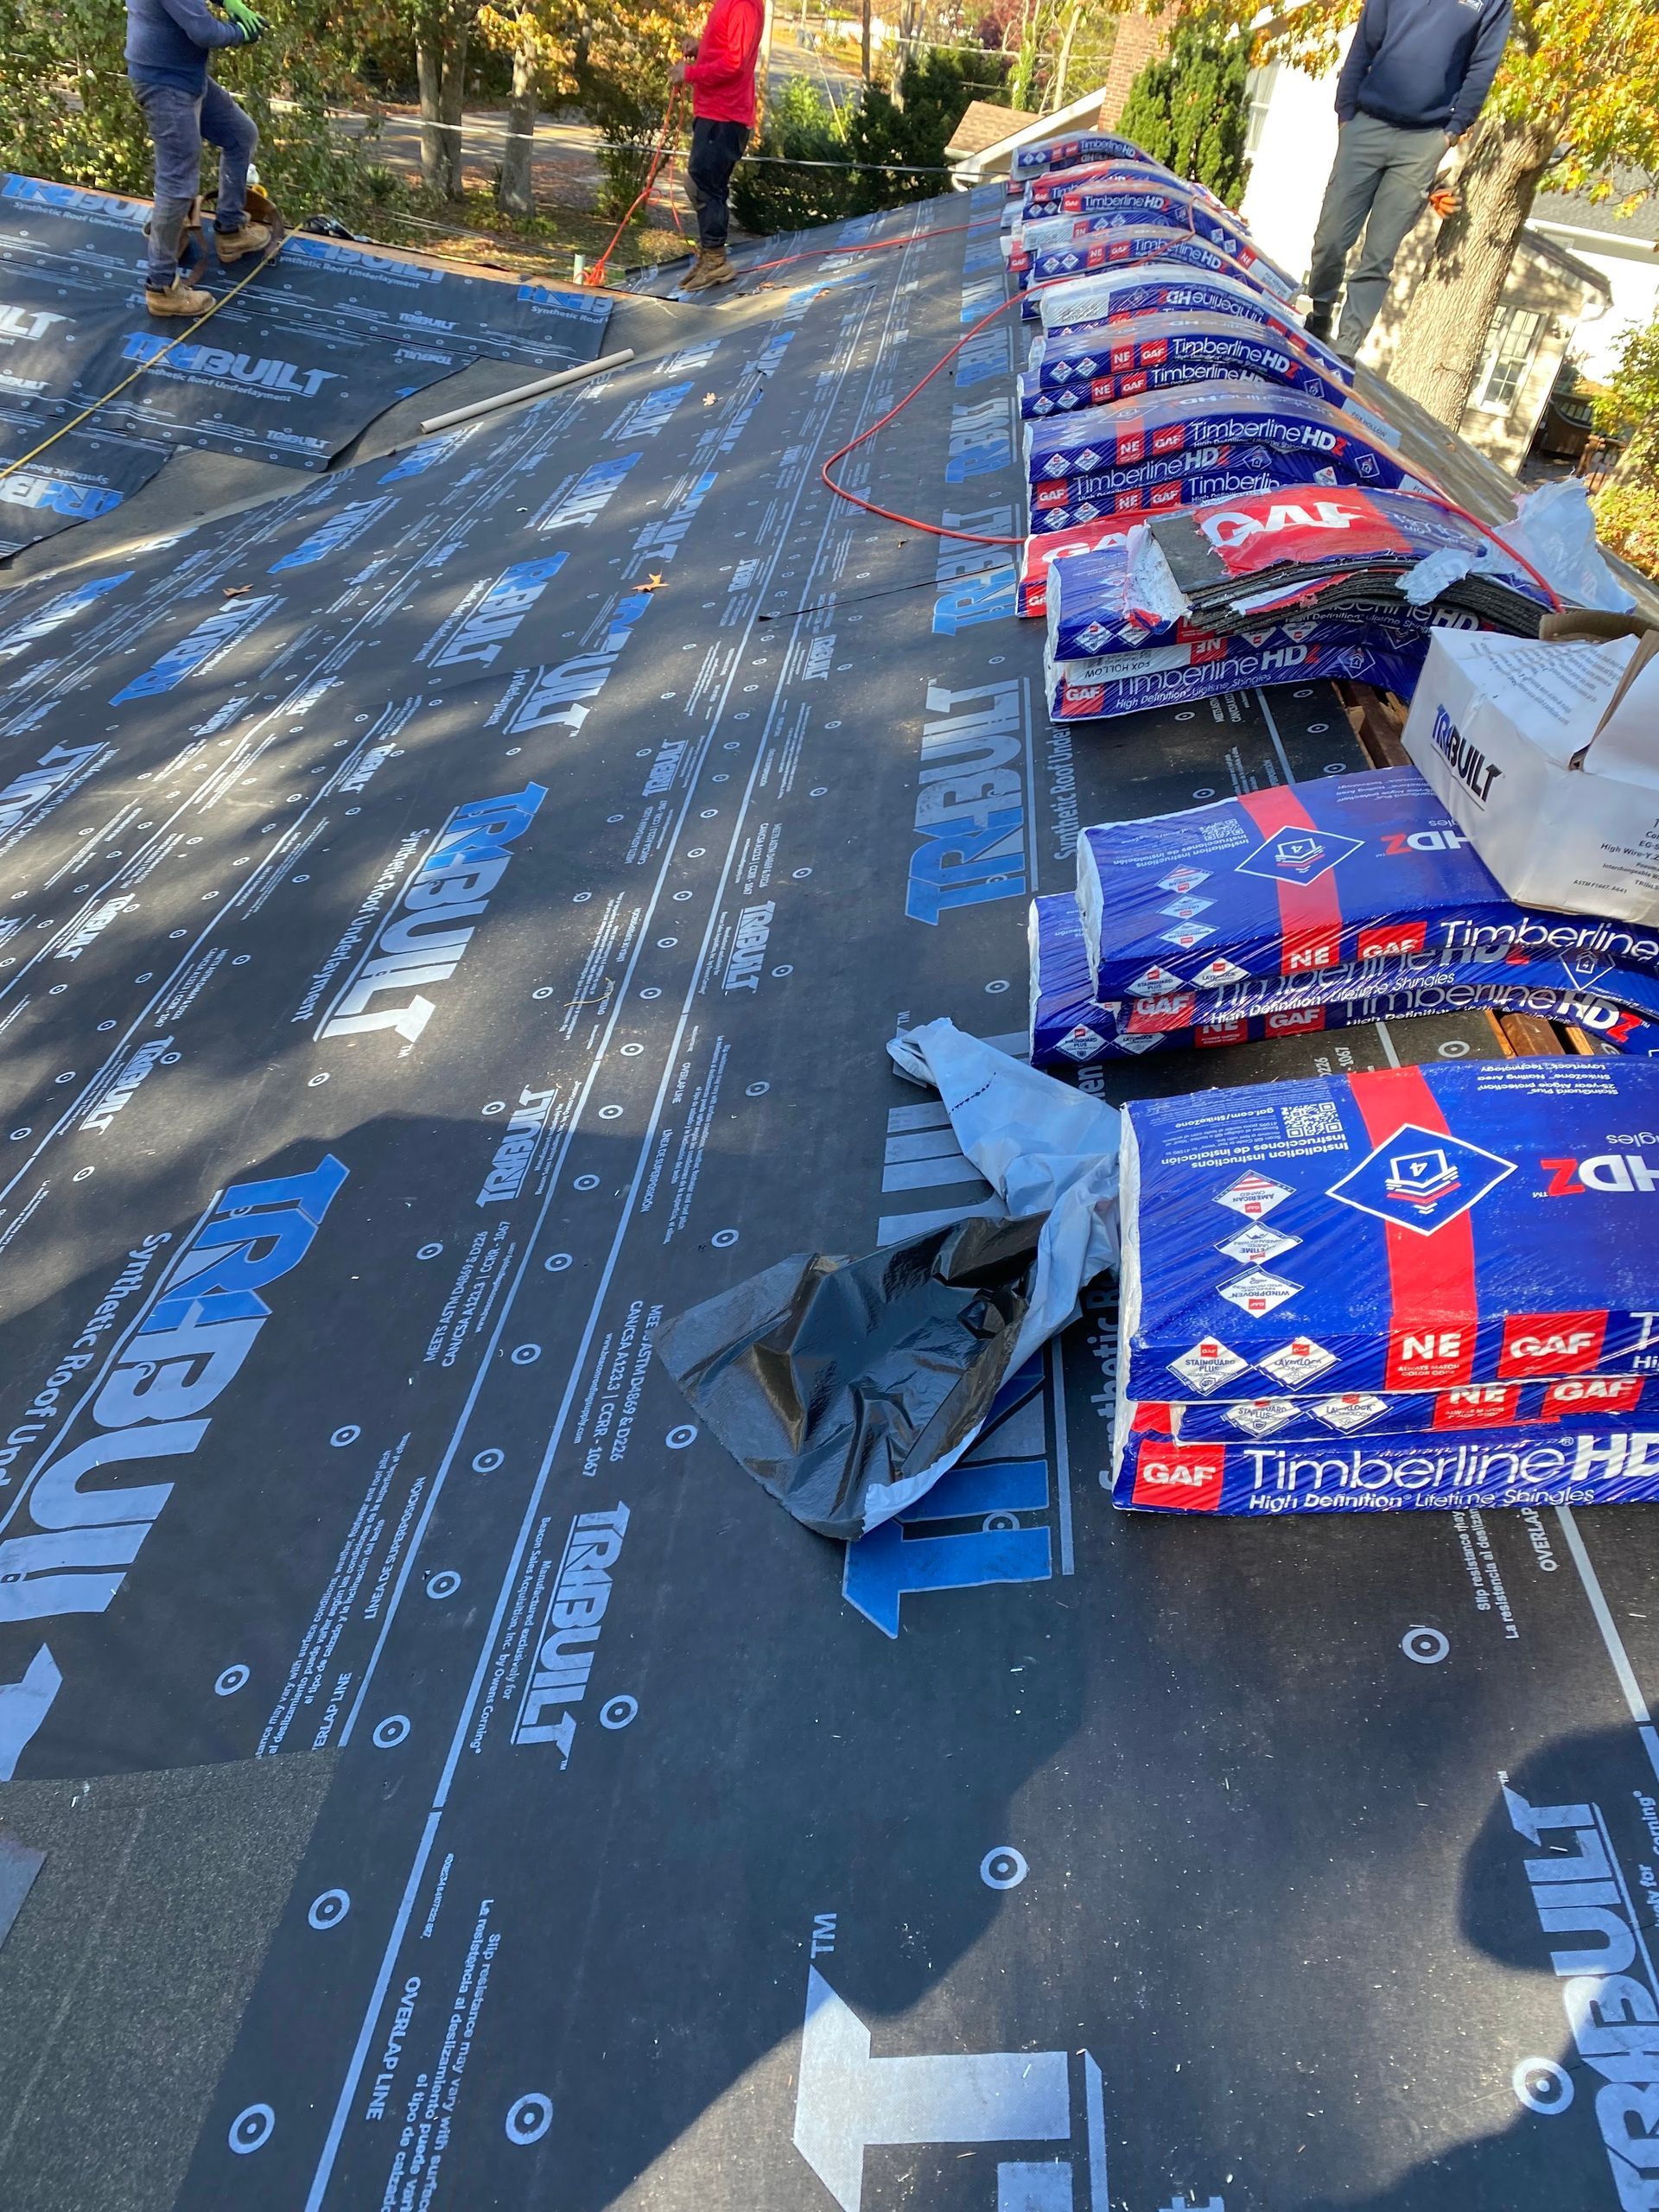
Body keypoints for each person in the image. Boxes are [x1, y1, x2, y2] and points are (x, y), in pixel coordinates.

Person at [1304, 0, 1512, 360]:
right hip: (1366, 124)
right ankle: (1320, 311)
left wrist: (1453, 129)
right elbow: (1365, 42)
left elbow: (1483, 64)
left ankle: (1347, 345)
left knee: (1380, 252)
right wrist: (1346, 112)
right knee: (1332, 237)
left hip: (1424, 140)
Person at [125, 0, 273, 318]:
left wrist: (229, 2)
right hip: (164, 85)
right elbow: (203, 31)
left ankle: (231, 231)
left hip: (186, 76)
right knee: (178, 183)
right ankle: (161, 287)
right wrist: (241, 31)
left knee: (240, 135)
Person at [670, 0, 765, 296]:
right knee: (707, 183)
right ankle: (711, 254)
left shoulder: (743, 6)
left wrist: (690, 73)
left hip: (725, 115)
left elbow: (736, 63)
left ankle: (715, 259)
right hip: (714, 112)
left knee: (703, 184)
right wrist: (702, 49)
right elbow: (727, 51)